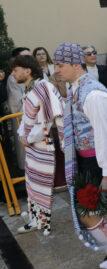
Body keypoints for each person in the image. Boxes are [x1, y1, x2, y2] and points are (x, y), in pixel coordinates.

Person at [54, 42, 107, 269]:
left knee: (87, 211)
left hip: (95, 160)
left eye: (60, 65)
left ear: (75, 64)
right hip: (89, 158)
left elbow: (105, 135)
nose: (57, 70)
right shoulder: (78, 88)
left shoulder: (93, 93)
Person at [11, 55, 64, 235]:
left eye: (15, 70)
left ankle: (42, 221)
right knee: (31, 183)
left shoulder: (43, 87)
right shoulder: (30, 89)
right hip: (33, 144)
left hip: (42, 144)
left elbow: (49, 120)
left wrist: (29, 137)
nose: (13, 73)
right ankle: (36, 219)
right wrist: (22, 134)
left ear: (28, 71)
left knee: (41, 185)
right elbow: (27, 118)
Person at [7, 47, 32, 171]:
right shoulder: (13, 78)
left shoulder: (36, 73)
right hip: (23, 120)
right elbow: (15, 104)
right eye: (25, 56)